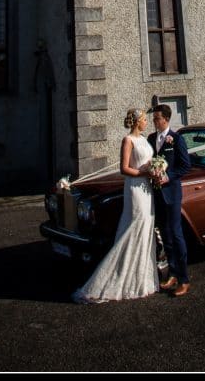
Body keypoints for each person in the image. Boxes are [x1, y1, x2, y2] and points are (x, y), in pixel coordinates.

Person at [71, 108, 159, 304]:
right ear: (136, 122)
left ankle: (141, 280)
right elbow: (124, 168)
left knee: (146, 228)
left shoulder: (144, 139)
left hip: (146, 188)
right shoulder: (128, 140)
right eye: (144, 120)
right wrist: (146, 173)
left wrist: (156, 168)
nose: (146, 122)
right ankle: (117, 278)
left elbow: (148, 161)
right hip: (135, 188)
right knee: (135, 226)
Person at [148, 104, 192, 296]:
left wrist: (168, 176)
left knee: (176, 233)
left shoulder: (176, 139)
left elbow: (185, 166)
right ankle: (172, 273)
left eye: (157, 118)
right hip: (157, 194)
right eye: (154, 118)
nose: (154, 121)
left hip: (172, 193)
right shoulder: (151, 138)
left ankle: (184, 278)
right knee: (165, 234)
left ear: (166, 119)